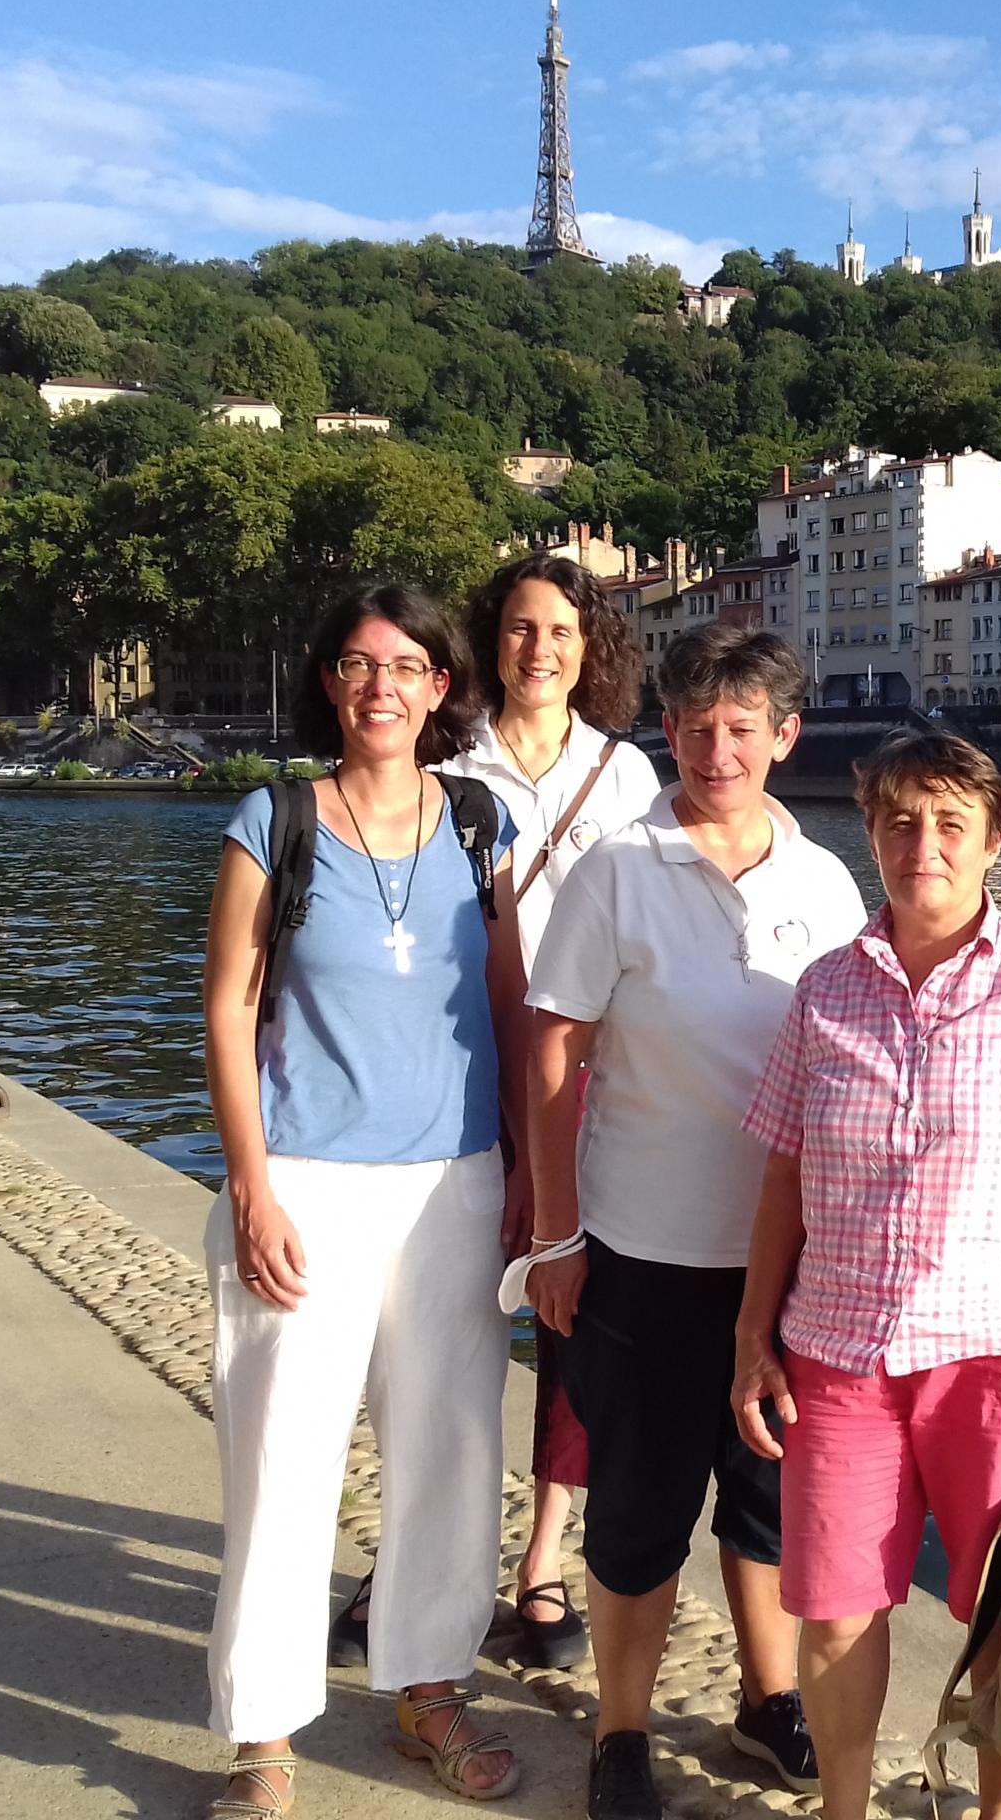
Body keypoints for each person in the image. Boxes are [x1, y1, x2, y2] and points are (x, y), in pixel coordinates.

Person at [730, 727, 1001, 1820]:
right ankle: (842, 1806)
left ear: (991, 842)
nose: (923, 843)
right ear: (870, 832)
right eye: (899, 820)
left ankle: (996, 1814)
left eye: (949, 823)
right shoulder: (825, 992)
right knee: (832, 1608)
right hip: (840, 1350)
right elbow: (781, 1174)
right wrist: (751, 1335)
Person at [523, 625, 869, 1820]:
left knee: (768, 1496)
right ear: (662, 732)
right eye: (691, 726)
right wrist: (558, 1234)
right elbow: (556, 1050)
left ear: (783, 736)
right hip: (644, 1248)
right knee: (638, 1502)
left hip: (795, 1261)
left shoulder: (825, 882)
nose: (714, 750)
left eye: (740, 727)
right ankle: (621, 1732)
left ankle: (767, 1702)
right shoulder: (617, 870)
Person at [199, 585, 525, 1815]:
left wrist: (529, 1177)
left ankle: (430, 1685)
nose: (379, 686)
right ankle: (265, 1733)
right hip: (307, 1182)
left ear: (442, 688)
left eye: (406, 666)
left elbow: (506, 1002)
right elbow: (230, 1005)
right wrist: (250, 1184)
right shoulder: (272, 820)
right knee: (283, 1454)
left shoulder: (479, 825)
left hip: (454, 1181)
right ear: (330, 686)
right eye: (355, 665)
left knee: (450, 1445)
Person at [327, 554, 659, 1675]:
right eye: (520, 629)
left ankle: (543, 1565)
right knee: (437, 1318)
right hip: (457, 1069)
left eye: (561, 631)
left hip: (587, 1081)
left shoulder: (624, 777)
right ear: (491, 640)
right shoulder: (441, 762)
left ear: (589, 647)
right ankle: (410, 1554)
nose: (539, 650)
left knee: (571, 1326)